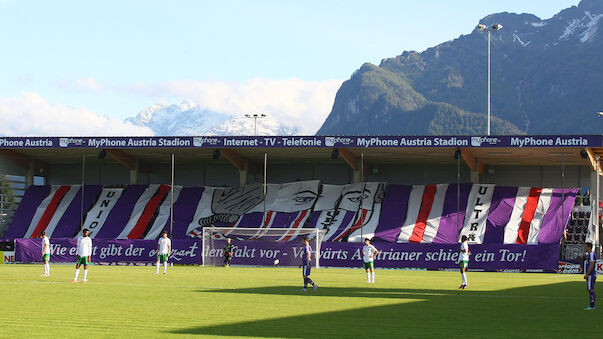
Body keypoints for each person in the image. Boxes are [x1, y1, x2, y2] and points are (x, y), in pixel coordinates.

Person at [583, 242, 597, 310]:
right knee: (589, 289)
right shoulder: (589, 254)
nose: (584, 248)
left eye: (585, 246)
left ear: (589, 247)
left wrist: (587, 274)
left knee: (590, 289)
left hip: (591, 275)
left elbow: (591, 264)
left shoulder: (591, 254)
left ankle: (592, 306)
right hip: (590, 275)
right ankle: (592, 305)